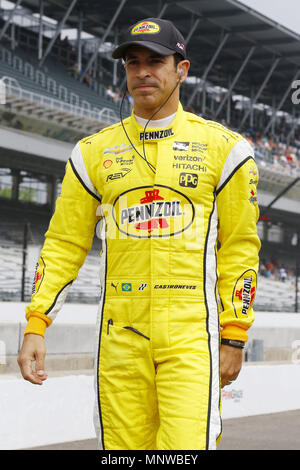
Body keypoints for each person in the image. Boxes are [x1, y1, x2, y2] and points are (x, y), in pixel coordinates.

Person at [17, 17, 260, 451]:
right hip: (118, 338)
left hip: (191, 338)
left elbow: (240, 248)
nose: (143, 72)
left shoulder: (226, 150)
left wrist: (234, 334)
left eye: (155, 61)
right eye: (132, 63)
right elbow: (63, 244)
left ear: (181, 69)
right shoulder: (91, 154)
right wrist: (37, 324)